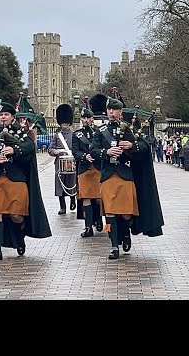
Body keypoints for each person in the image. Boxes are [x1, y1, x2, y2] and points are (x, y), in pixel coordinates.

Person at [91, 97, 164, 259]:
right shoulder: (100, 131)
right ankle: (113, 245)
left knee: (125, 214)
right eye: (109, 109)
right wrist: (106, 152)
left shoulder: (129, 128)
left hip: (125, 175)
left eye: (114, 109)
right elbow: (93, 150)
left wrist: (131, 146)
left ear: (120, 112)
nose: (111, 112)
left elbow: (144, 145)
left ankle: (125, 233)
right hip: (108, 175)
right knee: (109, 213)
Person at [0, 100, 51, 262]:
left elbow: (29, 147)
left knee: (16, 216)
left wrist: (14, 150)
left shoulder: (22, 132)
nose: (3, 117)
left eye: (6, 114)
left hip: (16, 180)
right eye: (0, 115)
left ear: (13, 117)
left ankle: (20, 239)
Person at [72, 107, 104, 237]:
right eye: (83, 118)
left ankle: (99, 220)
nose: (85, 120)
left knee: (98, 198)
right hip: (84, 168)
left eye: (87, 118)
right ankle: (88, 227)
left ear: (92, 119)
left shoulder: (99, 132)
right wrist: (84, 156)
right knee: (86, 198)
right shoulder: (76, 134)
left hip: (97, 168)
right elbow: (75, 151)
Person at [48, 103, 77, 214]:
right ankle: (62, 207)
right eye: (63, 122)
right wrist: (56, 152)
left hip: (72, 161)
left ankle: (73, 200)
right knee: (60, 184)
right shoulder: (57, 135)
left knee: (72, 182)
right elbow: (50, 149)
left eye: (66, 122)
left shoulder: (74, 134)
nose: (64, 124)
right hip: (59, 163)